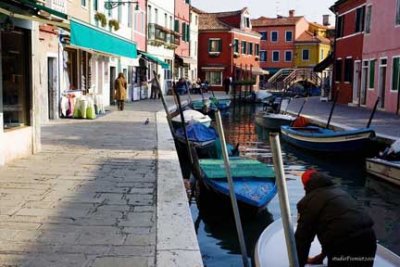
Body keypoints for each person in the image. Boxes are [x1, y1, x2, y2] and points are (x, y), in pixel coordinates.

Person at [295, 169, 377, 267]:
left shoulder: (307, 202)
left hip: (343, 246)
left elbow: (302, 239)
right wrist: (321, 257)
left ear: (305, 186)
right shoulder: (341, 192)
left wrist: (298, 263)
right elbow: (335, 224)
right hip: (369, 241)